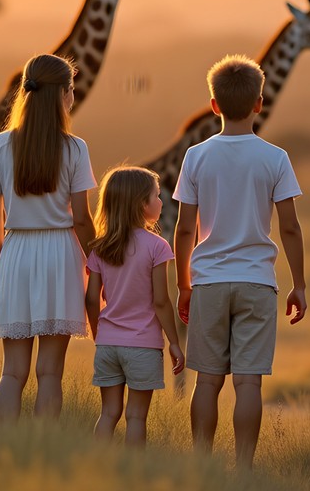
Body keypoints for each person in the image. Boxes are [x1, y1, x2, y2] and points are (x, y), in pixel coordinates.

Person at [173, 54, 307, 470]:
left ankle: (202, 467)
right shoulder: (275, 157)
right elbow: (289, 227)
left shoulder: (196, 156)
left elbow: (184, 229)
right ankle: (244, 470)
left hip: (209, 282)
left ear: (214, 105)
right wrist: (299, 284)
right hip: (257, 283)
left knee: (207, 381)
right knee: (249, 383)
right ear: (259, 104)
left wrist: (184, 285)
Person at [0, 54, 96, 421]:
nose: (73, 97)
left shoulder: (0, 145)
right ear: (62, 94)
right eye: (71, 90)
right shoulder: (75, 148)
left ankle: (5, 443)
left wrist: (5, 263)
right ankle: (42, 443)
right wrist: (99, 263)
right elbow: (82, 219)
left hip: (15, 252)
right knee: (50, 371)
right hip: (60, 255)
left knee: (12, 371)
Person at [85, 166, 185, 448]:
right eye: (157, 196)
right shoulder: (157, 246)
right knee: (137, 416)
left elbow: (92, 299)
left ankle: (97, 464)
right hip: (143, 346)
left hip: (108, 345)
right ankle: (132, 467)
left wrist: (99, 334)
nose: (161, 201)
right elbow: (161, 301)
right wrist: (174, 343)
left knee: (108, 413)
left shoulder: (100, 247)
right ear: (142, 205)